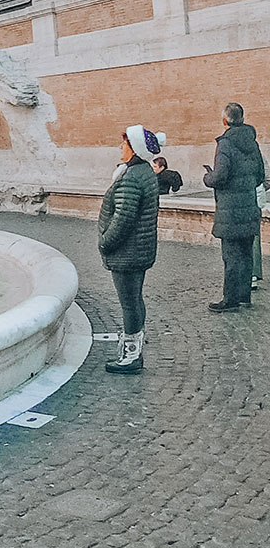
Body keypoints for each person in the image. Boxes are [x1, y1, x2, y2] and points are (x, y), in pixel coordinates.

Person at [99, 126, 164, 374]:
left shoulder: (133, 177)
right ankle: (134, 346)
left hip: (127, 252)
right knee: (135, 299)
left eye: (123, 144)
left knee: (129, 303)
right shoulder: (144, 172)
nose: (120, 148)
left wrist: (106, 241)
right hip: (139, 249)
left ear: (134, 148)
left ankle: (131, 355)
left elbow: (123, 218)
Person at [204, 102, 264, 312]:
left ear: (225, 121)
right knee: (246, 254)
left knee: (231, 256)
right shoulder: (253, 143)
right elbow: (260, 176)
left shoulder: (226, 144)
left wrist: (207, 177)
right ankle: (244, 296)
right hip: (248, 207)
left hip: (230, 209)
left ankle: (230, 300)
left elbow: (220, 176)